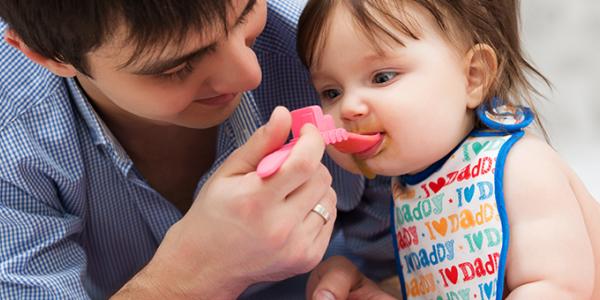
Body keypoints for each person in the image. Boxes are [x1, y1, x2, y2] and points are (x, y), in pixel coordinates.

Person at [0, 0, 396, 298]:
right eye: (176, 67)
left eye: (245, 15)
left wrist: (390, 285)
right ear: (51, 56)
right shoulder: (13, 135)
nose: (249, 74)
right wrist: (194, 273)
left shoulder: (359, 36)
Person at [295, 0, 600, 299]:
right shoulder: (412, 188)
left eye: (383, 77)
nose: (348, 107)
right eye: (331, 92)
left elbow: (561, 287)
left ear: (473, 77)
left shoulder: (519, 167)